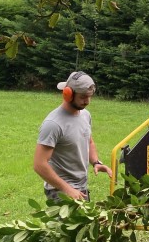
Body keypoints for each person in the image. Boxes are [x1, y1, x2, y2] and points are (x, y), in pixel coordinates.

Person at [34, 71, 112, 201]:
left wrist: (96, 162)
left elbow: (89, 141)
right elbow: (39, 164)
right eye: (82, 97)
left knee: (87, 222)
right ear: (68, 94)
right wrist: (67, 189)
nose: (87, 101)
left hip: (81, 188)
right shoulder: (53, 124)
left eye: (89, 96)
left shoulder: (85, 115)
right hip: (59, 191)